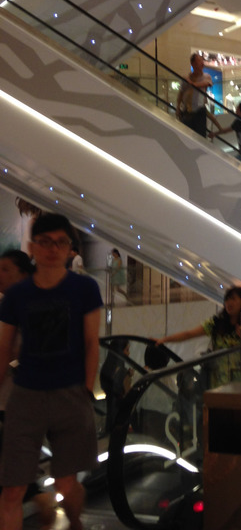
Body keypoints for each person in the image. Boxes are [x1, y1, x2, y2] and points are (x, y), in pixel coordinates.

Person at [0, 213, 103, 530]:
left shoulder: (84, 288)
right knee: (12, 489)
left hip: (70, 393)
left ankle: (75, 522)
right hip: (26, 396)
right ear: (33, 247)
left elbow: (91, 344)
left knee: (66, 483)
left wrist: (86, 390)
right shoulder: (18, 295)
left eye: (60, 242)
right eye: (45, 242)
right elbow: (3, 349)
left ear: (70, 248)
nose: (52, 249)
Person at [0, 250, 56, 530]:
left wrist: (10, 360)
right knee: (18, 485)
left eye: (5, 269)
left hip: (17, 406)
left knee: (17, 487)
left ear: (22, 273)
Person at [155, 286, 241, 386]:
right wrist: (164, 340)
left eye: (233, 299)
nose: (229, 302)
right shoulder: (216, 323)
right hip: (218, 381)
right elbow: (189, 334)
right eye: (227, 299)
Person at [176, 53, 222, 138]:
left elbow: (207, 83)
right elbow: (181, 93)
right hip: (186, 112)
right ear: (193, 64)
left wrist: (192, 83)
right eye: (199, 61)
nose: (202, 63)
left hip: (199, 112)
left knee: (200, 137)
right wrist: (178, 107)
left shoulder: (206, 76)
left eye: (202, 61)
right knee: (186, 136)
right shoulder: (186, 78)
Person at [210, 101, 241, 171]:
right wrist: (215, 133)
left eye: (237, 109)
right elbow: (227, 130)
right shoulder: (238, 122)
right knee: (234, 166)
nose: (236, 111)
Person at [99, 338, 133, 433]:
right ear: (120, 352)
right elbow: (128, 394)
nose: (128, 353)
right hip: (121, 416)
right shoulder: (122, 372)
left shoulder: (106, 369)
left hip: (110, 413)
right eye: (127, 350)